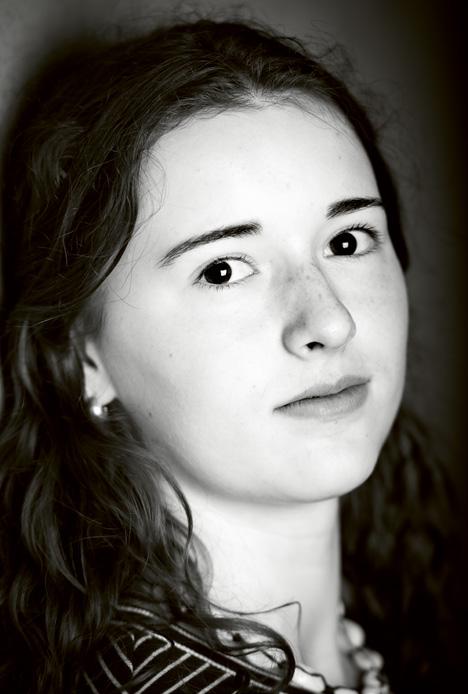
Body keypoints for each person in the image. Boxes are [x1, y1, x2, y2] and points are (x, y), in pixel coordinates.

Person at [0, 17, 454, 694]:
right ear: (83, 356)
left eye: (348, 241)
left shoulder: (407, 607)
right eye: (223, 270)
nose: (330, 321)